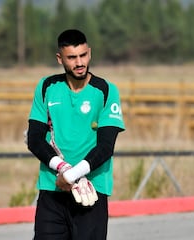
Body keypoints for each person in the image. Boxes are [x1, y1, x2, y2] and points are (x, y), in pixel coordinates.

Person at [26, 29, 125, 240]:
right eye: (72, 57)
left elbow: (106, 147)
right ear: (60, 58)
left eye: (83, 55)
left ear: (89, 53)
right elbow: (34, 139)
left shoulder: (106, 90)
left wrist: (71, 176)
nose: (79, 62)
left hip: (91, 191)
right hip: (52, 189)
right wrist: (62, 170)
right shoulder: (46, 87)